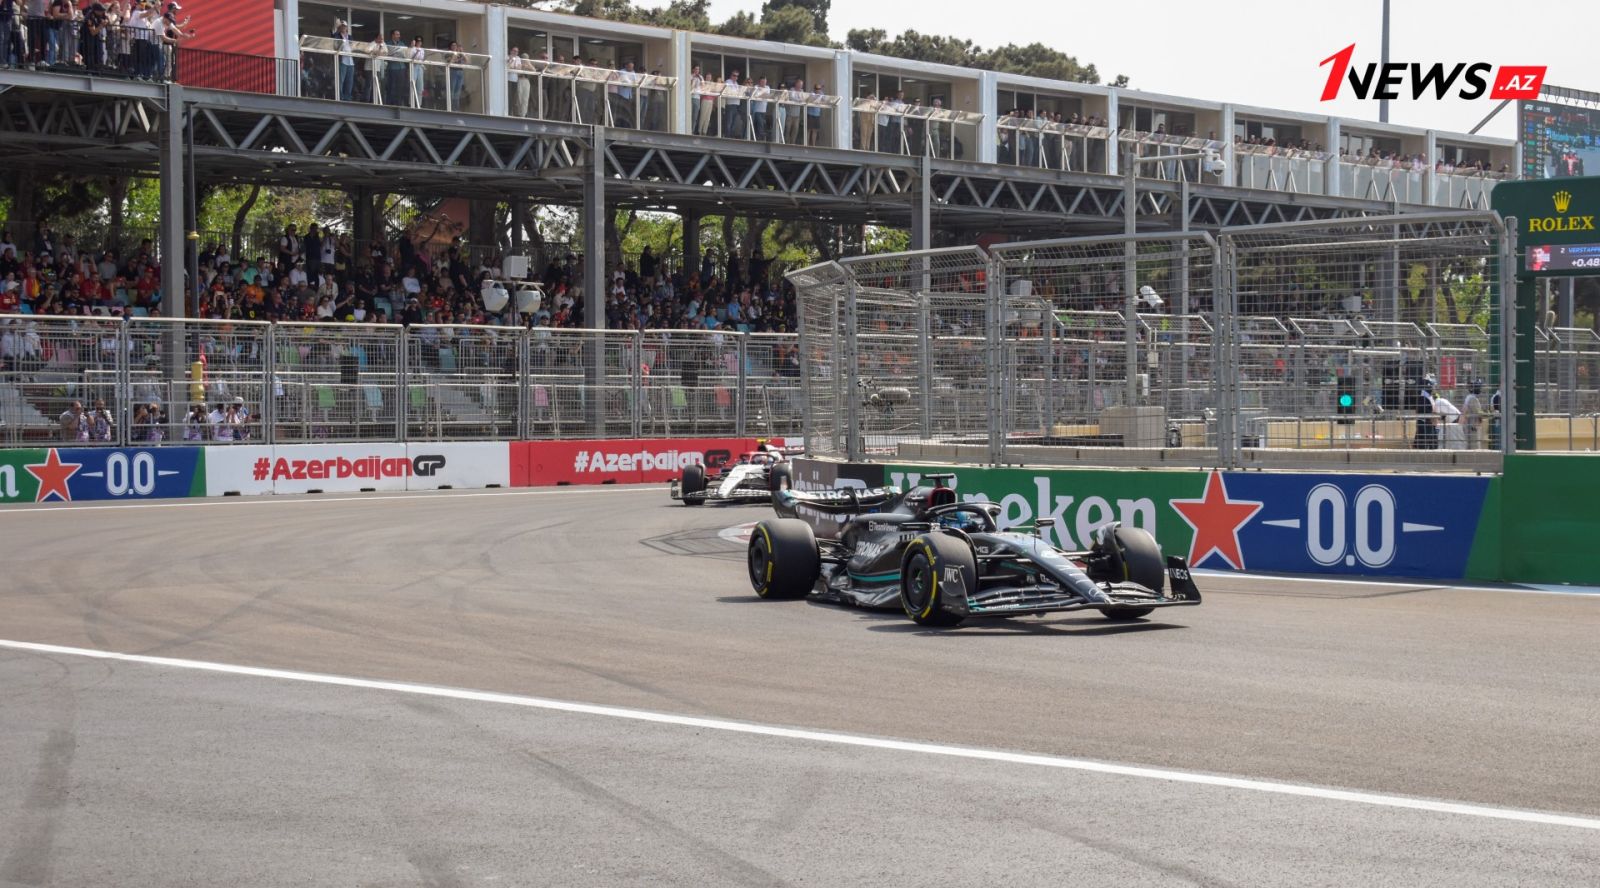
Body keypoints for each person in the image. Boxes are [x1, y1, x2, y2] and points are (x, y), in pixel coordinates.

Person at [332, 20, 355, 100]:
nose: (343, 28)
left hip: (350, 61)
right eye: (341, 26)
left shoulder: (350, 36)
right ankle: (340, 96)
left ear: (347, 27)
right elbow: (334, 40)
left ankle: (347, 97)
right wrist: (337, 31)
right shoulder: (337, 35)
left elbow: (353, 46)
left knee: (349, 81)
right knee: (340, 80)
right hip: (342, 60)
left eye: (344, 26)